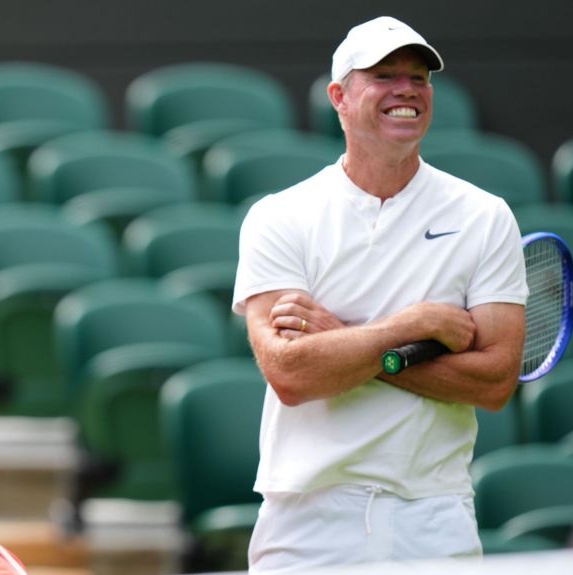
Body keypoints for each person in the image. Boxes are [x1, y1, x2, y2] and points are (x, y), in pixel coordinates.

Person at [232, 16, 528, 572]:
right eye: (385, 76)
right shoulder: (278, 217)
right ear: (339, 98)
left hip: (436, 516)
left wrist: (341, 341)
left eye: (419, 79)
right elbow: (292, 376)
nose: (407, 91)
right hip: (305, 520)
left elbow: (494, 382)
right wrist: (411, 327)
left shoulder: (485, 216)